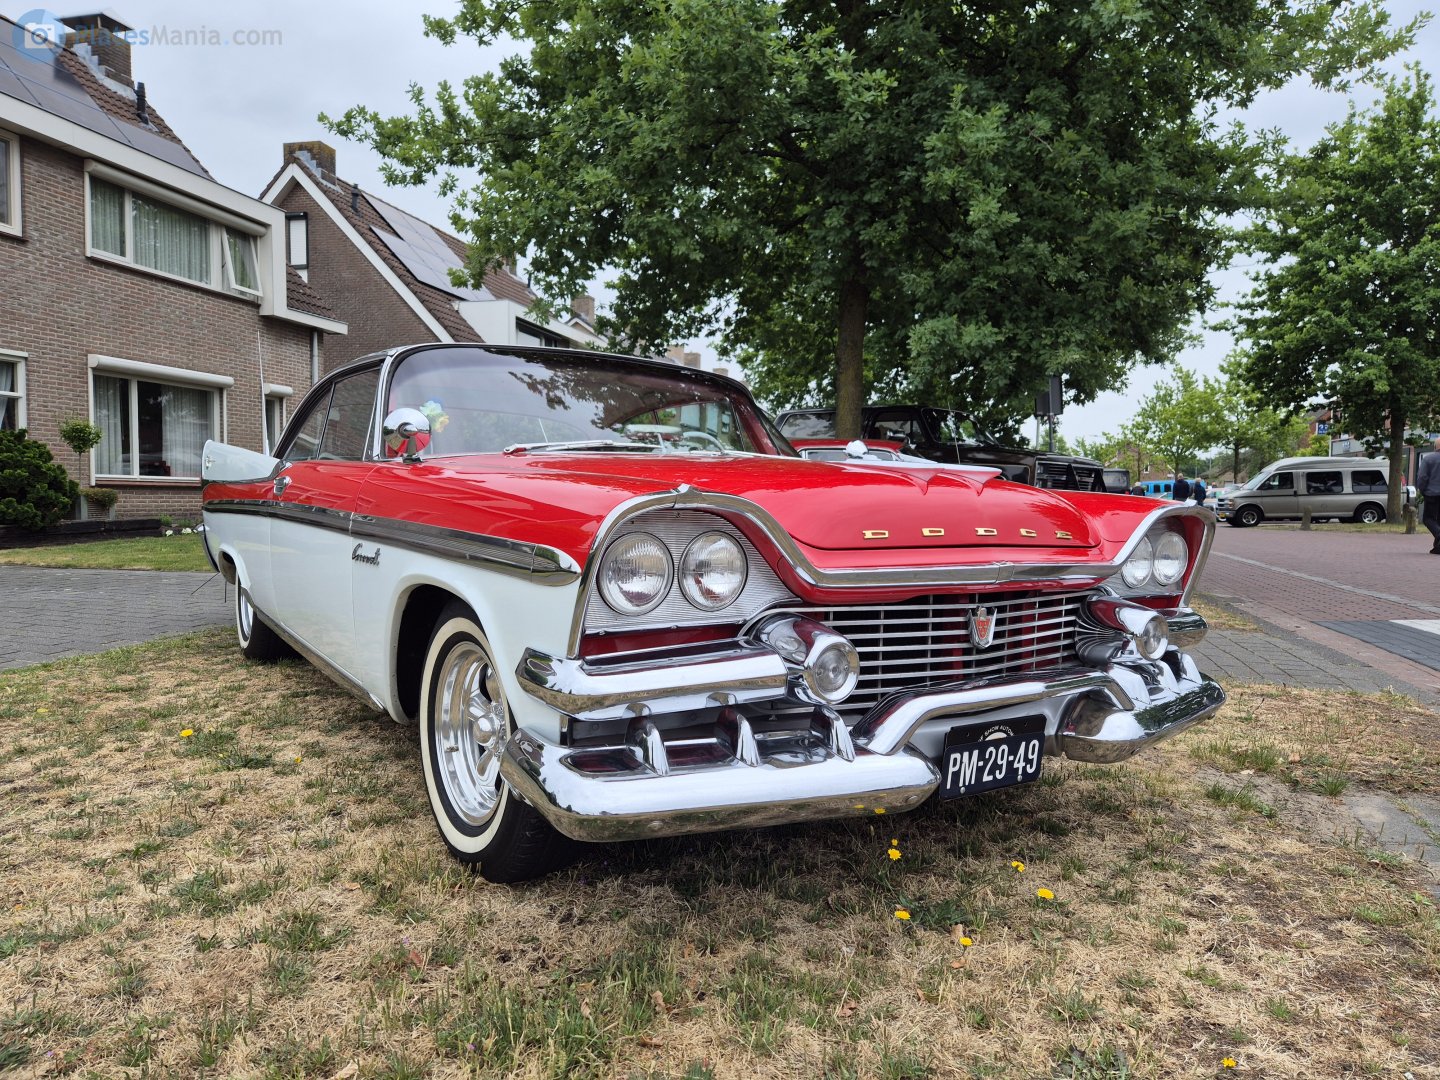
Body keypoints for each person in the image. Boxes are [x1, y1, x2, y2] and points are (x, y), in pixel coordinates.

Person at [1419, 436, 1440, 554]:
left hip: (1432, 494)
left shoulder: (1429, 459)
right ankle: (1438, 548)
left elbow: (1422, 477)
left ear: (1436, 446)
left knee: (1428, 519)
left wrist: (1422, 490)